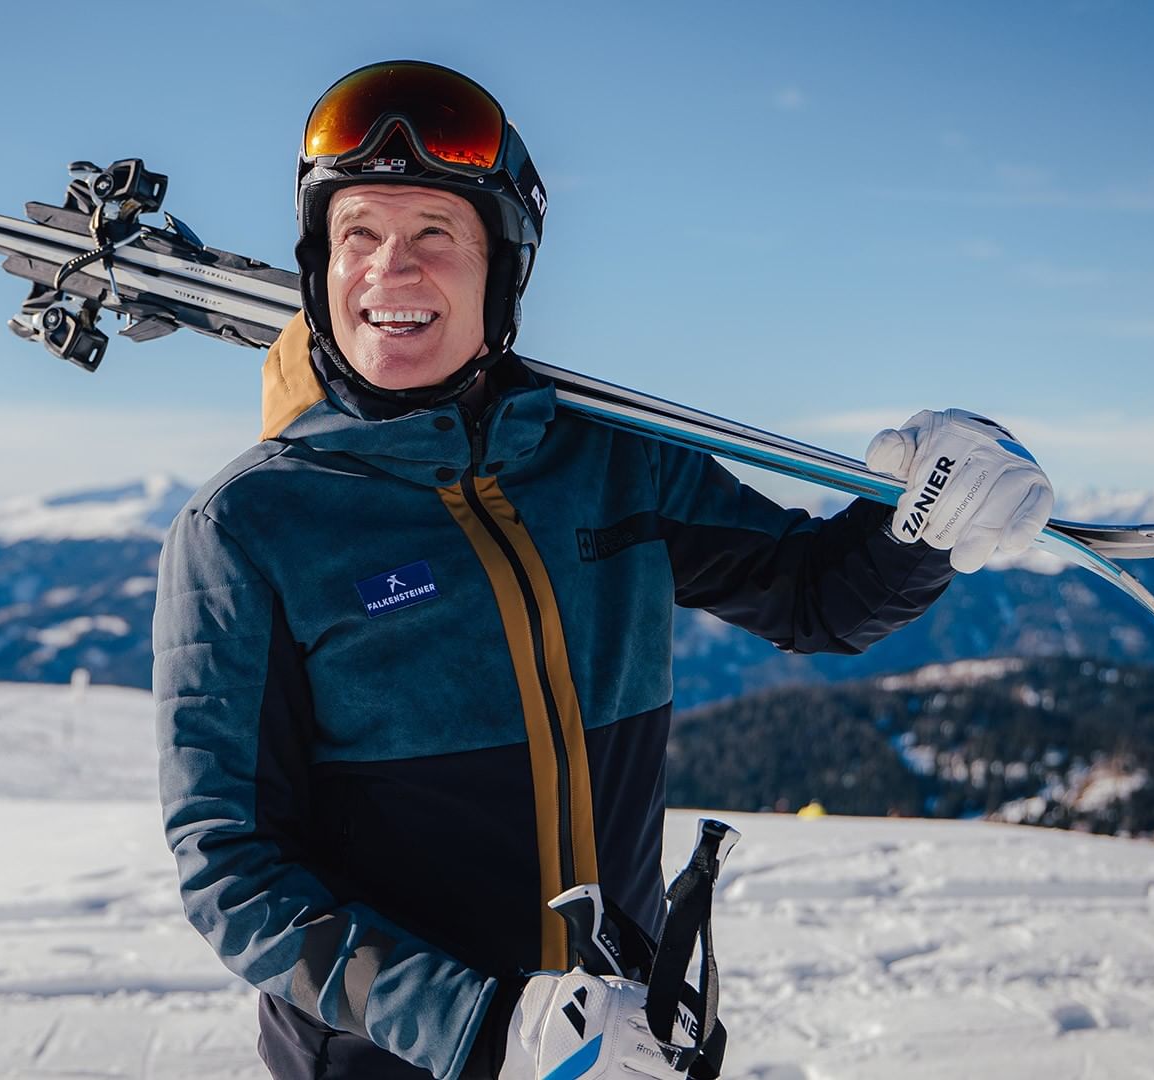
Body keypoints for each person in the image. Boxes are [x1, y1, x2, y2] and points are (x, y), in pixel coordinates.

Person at [155, 60, 1055, 1080]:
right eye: (358, 234)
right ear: (321, 266)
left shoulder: (613, 460)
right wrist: (484, 1029)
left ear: (504, 269)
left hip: (623, 1040)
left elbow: (817, 600)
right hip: (396, 1061)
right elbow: (233, 870)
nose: (388, 269)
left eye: (434, 236)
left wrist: (924, 527)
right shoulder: (251, 526)